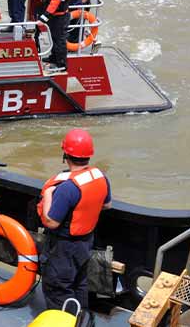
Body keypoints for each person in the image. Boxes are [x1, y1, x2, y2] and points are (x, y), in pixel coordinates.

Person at [37, 128, 112, 311]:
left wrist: (47, 195)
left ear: (66, 154)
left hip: (64, 248)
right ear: (88, 155)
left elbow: (51, 222)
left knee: (58, 289)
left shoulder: (66, 188)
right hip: (85, 243)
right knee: (79, 284)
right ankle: (81, 319)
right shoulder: (100, 177)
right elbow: (107, 205)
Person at [37, 0, 74, 71]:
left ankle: (61, 64)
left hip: (60, 18)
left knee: (59, 41)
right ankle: (53, 57)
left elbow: (54, 4)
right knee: (53, 38)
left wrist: (43, 19)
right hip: (55, 17)